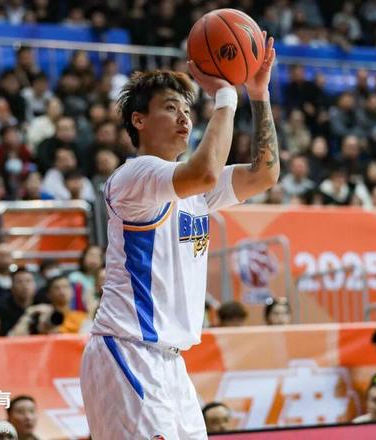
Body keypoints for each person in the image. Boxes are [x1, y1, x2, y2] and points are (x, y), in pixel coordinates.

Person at [81, 33, 279, 439]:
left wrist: (259, 94)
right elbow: (204, 172)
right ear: (139, 120)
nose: (185, 118)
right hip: (128, 350)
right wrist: (226, 96)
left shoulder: (192, 189)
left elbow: (265, 174)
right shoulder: (135, 175)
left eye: (188, 110)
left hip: (170, 362)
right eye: (171, 108)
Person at [0, 267, 37, 336]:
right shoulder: (2, 309)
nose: (25, 286)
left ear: (35, 286)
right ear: (12, 287)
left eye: (28, 281)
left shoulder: (43, 304)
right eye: (19, 282)